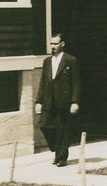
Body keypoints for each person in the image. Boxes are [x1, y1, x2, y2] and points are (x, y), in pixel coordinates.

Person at [35, 33, 81, 166]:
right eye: (51, 44)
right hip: (49, 101)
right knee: (44, 125)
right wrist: (39, 101)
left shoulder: (71, 61)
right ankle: (57, 149)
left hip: (64, 101)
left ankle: (61, 157)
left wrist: (75, 102)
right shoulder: (47, 61)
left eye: (55, 44)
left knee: (62, 129)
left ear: (62, 44)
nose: (52, 46)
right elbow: (43, 82)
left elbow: (76, 84)